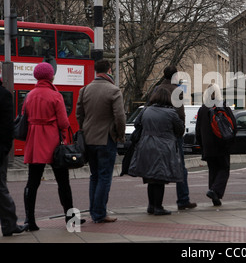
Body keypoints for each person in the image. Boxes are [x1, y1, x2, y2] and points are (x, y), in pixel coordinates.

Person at [23, 62, 84, 231]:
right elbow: (64, 123)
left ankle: (30, 220)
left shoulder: (29, 95)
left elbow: (24, 117)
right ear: (50, 76)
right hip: (53, 142)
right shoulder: (55, 95)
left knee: (32, 183)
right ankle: (71, 218)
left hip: (35, 141)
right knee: (63, 182)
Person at [76, 59, 126, 223]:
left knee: (94, 176)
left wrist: (84, 128)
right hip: (106, 138)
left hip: (89, 138)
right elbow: (120, 116)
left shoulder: (85, 90)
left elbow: (79, 113)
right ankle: (99, 213)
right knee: (105, 177)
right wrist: (120, 135)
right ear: (109, 70)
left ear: (96, 71)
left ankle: (94, 211)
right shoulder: (113, 90)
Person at [128, 87, 185, 215]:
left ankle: (151, 205)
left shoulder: (146, 110)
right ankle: (158, 207)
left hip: (146, 145)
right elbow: (180, 130)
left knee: (150, 177)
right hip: (163, 147)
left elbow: (137, 124)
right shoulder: (171, 113)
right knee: (160, 178)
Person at [158, 66, 196, 210]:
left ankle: (155, 203)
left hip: (157, 134)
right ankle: (183, 199)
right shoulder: (176, 91)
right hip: (173, 134)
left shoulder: (156, 89)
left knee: (157, 168)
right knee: (181, 168)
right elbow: (181, 115)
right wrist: (179, 132)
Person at [196, 83, 237, 206]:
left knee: (213, 170)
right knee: (224, 169)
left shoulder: (202, 109)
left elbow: (198, 130)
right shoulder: (223, 106)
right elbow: (233, 125)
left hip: (208, 147)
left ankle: (214, 195)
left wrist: (201, 146)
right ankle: (215, 191)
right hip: (222, 144)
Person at [0, 77, 27, 236]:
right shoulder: (4, 95)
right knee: (1, 189)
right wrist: (5, 149)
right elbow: (7, 126)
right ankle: (9, 224)